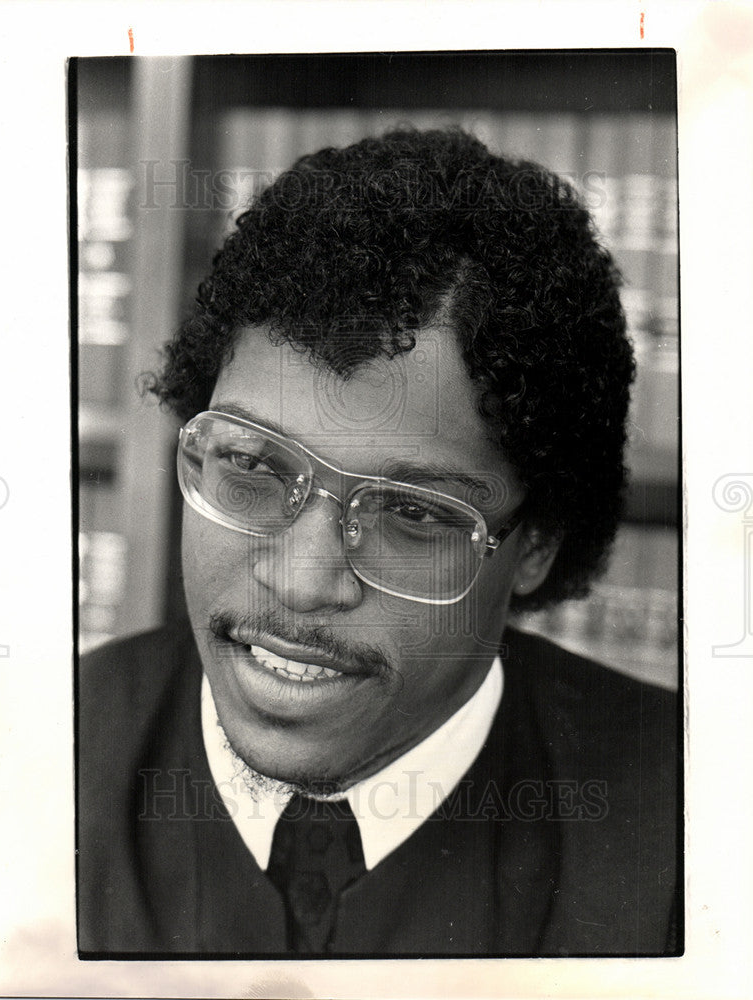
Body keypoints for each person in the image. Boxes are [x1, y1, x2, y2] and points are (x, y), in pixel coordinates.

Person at [78, 127, 679, 957]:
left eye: (414, 513)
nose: (302, 580)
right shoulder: (22, 762)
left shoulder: (699, 829)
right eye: (252, 464)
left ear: (534, 544)